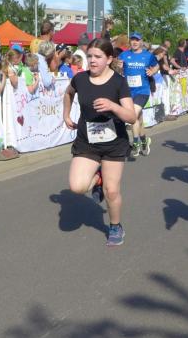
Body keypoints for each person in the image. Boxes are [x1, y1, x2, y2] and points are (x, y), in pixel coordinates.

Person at [63, 37, 137, 246]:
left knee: (111, 192)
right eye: (89, 56)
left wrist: (113, 106)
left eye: (98, 56)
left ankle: (115, 226)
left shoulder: (118, 82)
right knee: (77, 187)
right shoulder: (80, 79)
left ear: (109, 59)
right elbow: (68, 93)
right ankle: (98, 178)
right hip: (87, 141)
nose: (92, 61)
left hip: (114, 143)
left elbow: (131, 117)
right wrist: (66, 115)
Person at [119, 32, 158, 157]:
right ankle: (144, 141)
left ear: (141, 42)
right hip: (128, 92)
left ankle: (135, 144)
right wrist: (119, 67)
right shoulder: (124, 55)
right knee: (138, 120)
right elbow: (119, 70)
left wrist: (153, 71)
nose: (135, 42)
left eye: (137, 40)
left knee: (133, 115)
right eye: (132, 40)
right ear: (130, 42)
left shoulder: (148, 55)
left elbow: (157, 66)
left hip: (142, 91)